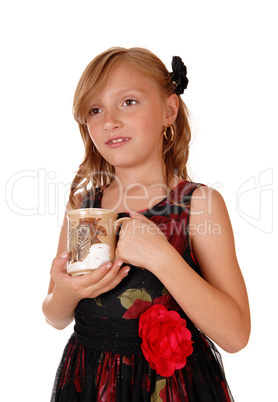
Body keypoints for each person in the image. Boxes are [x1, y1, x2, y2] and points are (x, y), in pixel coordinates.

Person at [42, 47, 251, 401]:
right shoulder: (84, 206)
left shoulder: (197, 205)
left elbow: (235, 335)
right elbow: (54, 315)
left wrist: (162, 257)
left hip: (169, 389)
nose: (109, 120)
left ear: (169, 110)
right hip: (90, 384)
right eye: (95, 110)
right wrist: (67, 291)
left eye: (128, 102)